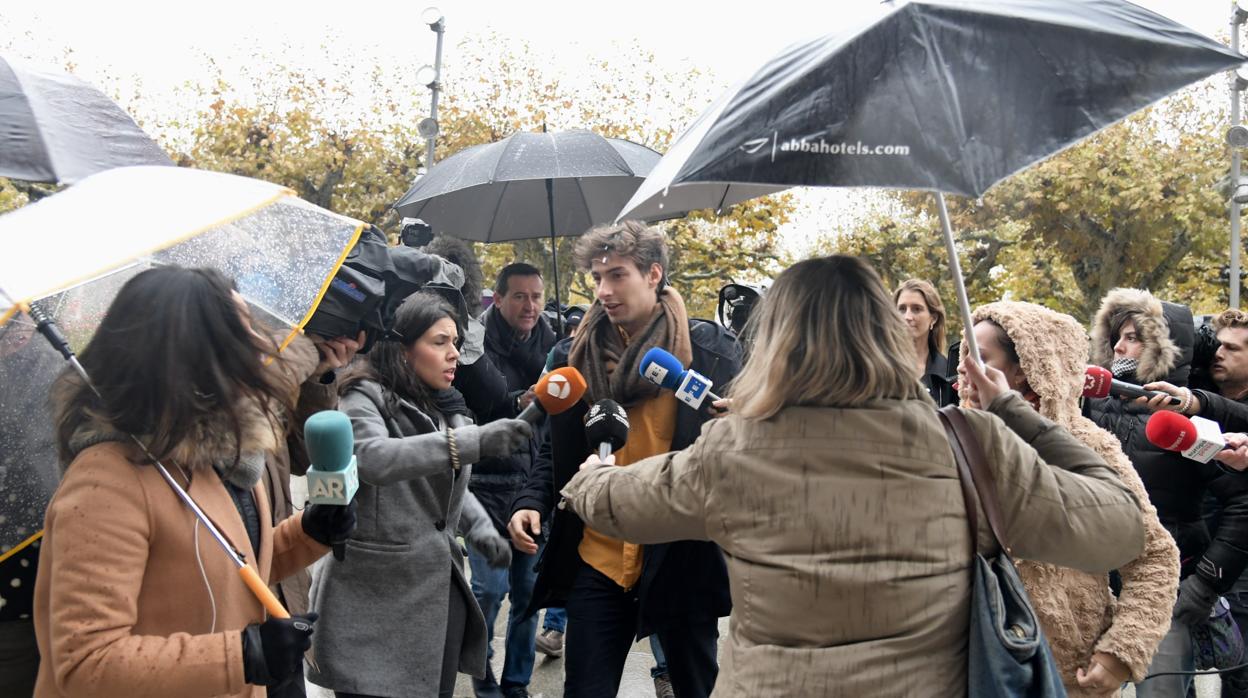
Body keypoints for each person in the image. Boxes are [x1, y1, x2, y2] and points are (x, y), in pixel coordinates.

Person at [557, 254, 1148, 696]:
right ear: (890, 332)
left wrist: (590, 473)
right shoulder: (971, 442)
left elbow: (615, 503)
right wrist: (1008, 411)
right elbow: (1121, 526)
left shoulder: (730, 451)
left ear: (776, 341)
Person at [34, 266, 353, 698]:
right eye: (240, 333)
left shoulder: (223, 454)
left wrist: (308, 534)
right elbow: (87, 663)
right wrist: (242, 655)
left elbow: (228, 571)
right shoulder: (103, 484)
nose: (260, 345)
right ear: (187, 352)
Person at [508, 220, 741, 698]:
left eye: (617, 275)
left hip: (680, 554)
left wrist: (742, 417)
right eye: (597, 277)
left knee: (697, 688)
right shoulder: (571, 354)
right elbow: (557, 447)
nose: (604, 290)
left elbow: (741, 452)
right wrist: (529, 500)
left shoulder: (711, 352)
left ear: (653, 274)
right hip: (600, 553)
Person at [307, 292, 528, 698]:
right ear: (403, 349)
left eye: (456, 343)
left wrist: (480, 528)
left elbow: (442, 489)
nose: (454, 355)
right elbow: (372, 458)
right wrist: (469, 441)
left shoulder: (449, 406)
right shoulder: (363, 394)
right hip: (373, 600)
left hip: (435, 596)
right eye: (439, 342)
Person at [965, 302, 1179, 696]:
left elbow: (1155, 557)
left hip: (1068, 675)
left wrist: (1118, 655)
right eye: (963, 355)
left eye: (980, 357)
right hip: (970, 670)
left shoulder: (1089, 446)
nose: (965, 368)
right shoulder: (955, 441)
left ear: (1028, 367)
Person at [1086, 288, 1248, 697]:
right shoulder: (1088, 408)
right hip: (1094, 589)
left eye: (1134, 337)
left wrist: (1204, 584)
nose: (1120, 347)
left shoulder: (1183, 421)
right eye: (1116, 337)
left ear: (1163, 349)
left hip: (1168, 596)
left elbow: (1243, 502)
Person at [468, 263, 557, 698]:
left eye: (536, 295)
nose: (530, 305)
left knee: (529, 594)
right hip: (483, 484)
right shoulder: (471, 345)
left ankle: (516, 682)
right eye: (519, 296)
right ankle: (482, 674)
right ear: (498, 299)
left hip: (532, 485)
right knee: (488, 590)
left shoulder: (555, 347)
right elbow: (468, 406)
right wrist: (516, 401)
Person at [894, 278, 955, 406]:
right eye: (902, 309)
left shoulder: (949, 376)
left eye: (916, 309)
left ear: (933, 318)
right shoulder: (879, 367)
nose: (907, 317)